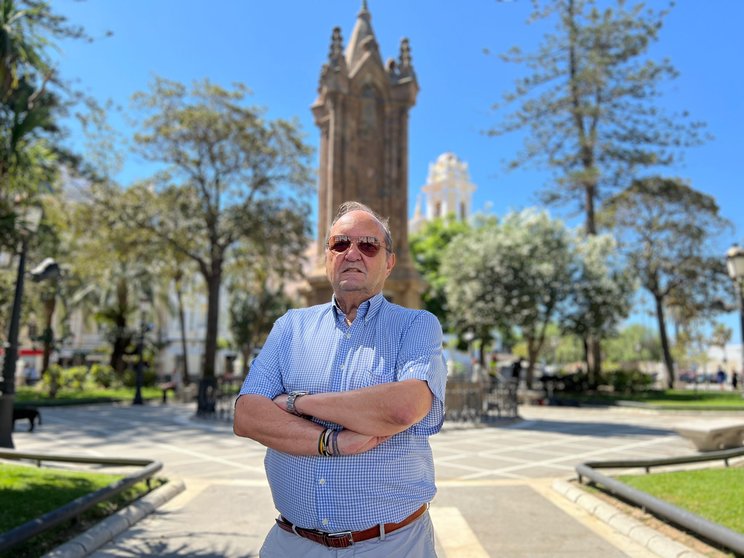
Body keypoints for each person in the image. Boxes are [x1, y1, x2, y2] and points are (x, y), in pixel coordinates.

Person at [233, 201, 447, 557]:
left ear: (389, 261)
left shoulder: (416, 325)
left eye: (368, 245)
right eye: (340, 244)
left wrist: (295, 402)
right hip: (293, 543)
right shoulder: (290, 326)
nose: (353, 254)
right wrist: (333, 441)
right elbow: (247, 416)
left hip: (389, 545)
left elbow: (402, 409)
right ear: (327, 256)